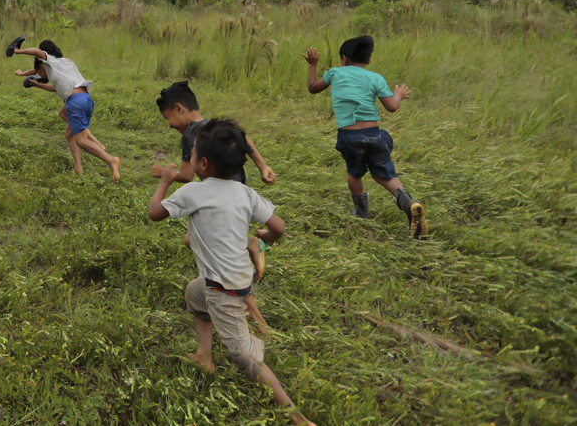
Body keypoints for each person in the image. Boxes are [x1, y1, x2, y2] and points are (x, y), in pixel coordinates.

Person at [149, 120, 315, 426]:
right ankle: (203, 355)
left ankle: (298, 418)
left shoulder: (192, 192)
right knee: (195, 293)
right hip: (238, 278)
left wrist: (166, 181)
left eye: (193, 151)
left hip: (225, 291)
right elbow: (278, 227)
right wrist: (266, 237)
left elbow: (155, 213)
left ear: (202, 163)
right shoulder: (244, 192)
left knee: (245, 358)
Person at [151, 81, 276, 330]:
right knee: (194, 241)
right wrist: (262, 166)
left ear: (179, 109)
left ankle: (258, 320)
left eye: (168, 118)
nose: (169, 125)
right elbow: (243, 137)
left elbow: (187, 175)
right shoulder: (216, 127)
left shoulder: (190, 135)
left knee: (217, 259)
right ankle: (251, 244)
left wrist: (164, 176)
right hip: (237, 191)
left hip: (219, 199)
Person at [305, 36, 428, 238]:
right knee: (384, 175)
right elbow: (392, 107)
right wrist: (398, 94)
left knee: (355, 174)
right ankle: (408, 202)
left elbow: (312, 88)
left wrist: (313, 65)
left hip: (350, 136)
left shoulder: (334, 73)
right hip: (376, 135)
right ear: (368, 61)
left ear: (343, 58)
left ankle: (362, 213)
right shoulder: (376, 78)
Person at [7, 37, 120, 183]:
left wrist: (16, 50)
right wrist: (34, 82)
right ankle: (79, 168)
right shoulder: (66, 63)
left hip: (75, 102)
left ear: (43, 61)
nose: (41, 77)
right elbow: (57, 87)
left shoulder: (50, 61)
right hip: (86, 99)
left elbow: (36, 52)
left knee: (81, 141)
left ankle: (110, 160)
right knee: (68, 129)